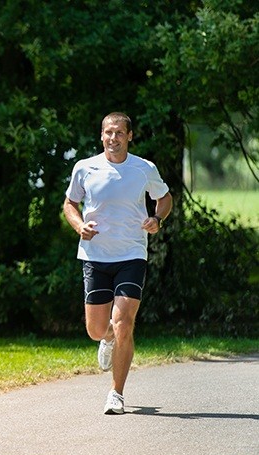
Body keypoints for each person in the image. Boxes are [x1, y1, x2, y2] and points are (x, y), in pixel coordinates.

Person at [63, 112, 172, 415]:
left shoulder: (143, 169)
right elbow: (70, 203)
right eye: (109, 133)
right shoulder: (85, 168)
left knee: (124, 322)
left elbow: (165, 198)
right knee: (96, 329)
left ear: (130, 136)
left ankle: (116, 393)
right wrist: (79, 226)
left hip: (131, 254)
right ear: (101, 136)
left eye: (120, 133)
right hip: (95, 256)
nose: (114, 138)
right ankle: (107, 337)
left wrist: (157, 218)